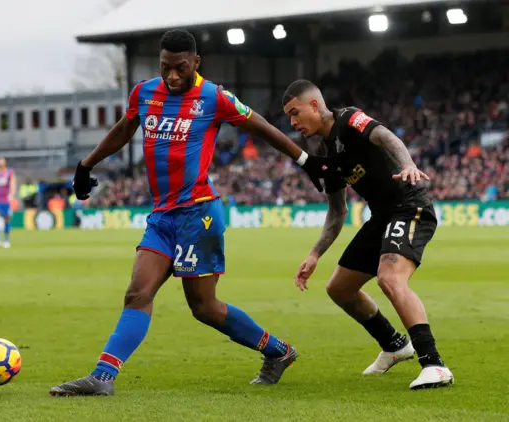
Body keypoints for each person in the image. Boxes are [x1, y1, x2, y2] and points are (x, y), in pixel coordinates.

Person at [49, 29, 334, 397]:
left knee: (204, 308)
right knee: (137, 293)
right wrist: (86, 164)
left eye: (180, 68)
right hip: (162, 216)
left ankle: (278, 351)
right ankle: (103, 377)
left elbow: (260, 126)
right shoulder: (145, 93)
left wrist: (305, 160)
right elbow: (124, 129)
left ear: (196, 63)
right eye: (165, 67)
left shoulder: (214, 98)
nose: (172, 76)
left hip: (198, 214)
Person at [283, 80, 453, 390]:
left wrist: (409, 165)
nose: (293, 123)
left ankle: (434, 365)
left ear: (315, 105)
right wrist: (314, 254)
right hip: (381, 217)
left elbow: (387, 137)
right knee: (339, 289)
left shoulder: (349, 119)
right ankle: (394, 345)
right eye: (288, 118)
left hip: (409, 206)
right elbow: (337, 213)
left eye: (295, 113)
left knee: (390, 278)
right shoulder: (326, 153)